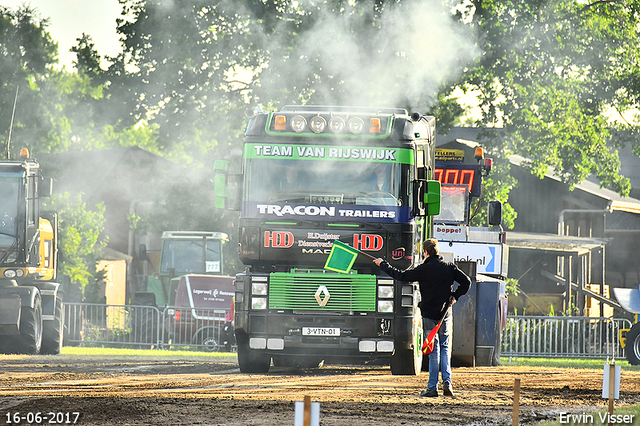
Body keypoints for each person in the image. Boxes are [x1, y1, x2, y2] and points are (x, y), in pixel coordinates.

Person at [373, 238, 471, 397]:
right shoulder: (449, 267)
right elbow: (466, 282)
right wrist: (455, 295)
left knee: (433, 351)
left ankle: (432, 388)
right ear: (437, 251)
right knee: (445, 348)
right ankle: (447, 383)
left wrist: (383, 264)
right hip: (445, 314)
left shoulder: (423, 269)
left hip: (429, 316)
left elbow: (401, 276)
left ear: (425, 252)